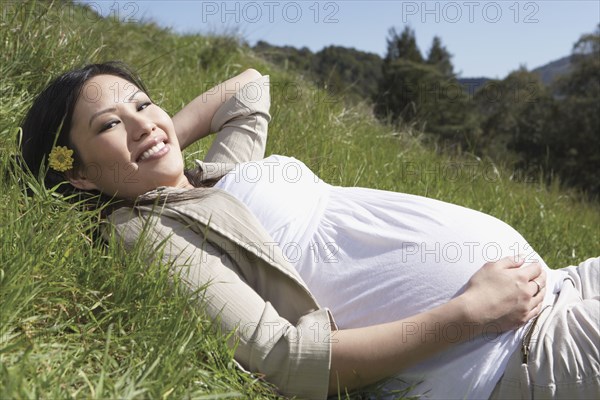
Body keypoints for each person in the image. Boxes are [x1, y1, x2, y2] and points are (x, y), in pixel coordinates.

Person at [19, 61, 598, 399]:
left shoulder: (216, 175)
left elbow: (248, 89)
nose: (143, 122)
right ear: (80, 176)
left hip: (558, 283)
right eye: (109, 126)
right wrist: (467, 315)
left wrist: (153, 142)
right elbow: (285, 358)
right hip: (509, 352)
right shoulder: (147, 231)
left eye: (146, 103)